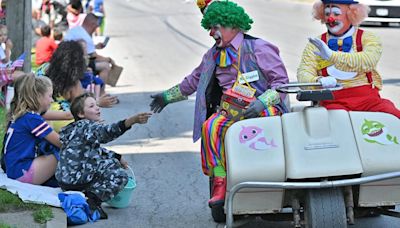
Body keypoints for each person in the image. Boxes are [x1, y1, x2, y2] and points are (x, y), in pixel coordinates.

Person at [149, 0, 289, 208]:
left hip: (264, 106)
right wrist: (166, 97)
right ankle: (220, 182)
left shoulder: (259, 47)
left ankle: (271, 173)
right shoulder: (212, 55)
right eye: (209, 27)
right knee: (211, 126)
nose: (211, 33)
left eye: (216, 27)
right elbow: (193, 81)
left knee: (264, 123)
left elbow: (281, 84)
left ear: (232, 24)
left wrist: (261, 103)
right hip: (231, 110)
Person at [55, 92, 152, 219]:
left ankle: (88, 194)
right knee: (120, 176)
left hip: (64, 182)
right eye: (91, 106)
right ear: (81, 114)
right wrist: (131, 121)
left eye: (96, 105)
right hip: (77, 180)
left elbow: (93, 149)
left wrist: (117, 156)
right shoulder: (87, 126)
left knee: (112, 162)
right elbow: (106, 133)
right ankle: (92, 201)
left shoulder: (74, 128)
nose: (97, 108)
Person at [297, 0, 400, 118]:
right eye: (327, 14)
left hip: (368, 101)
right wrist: (318, 81)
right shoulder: (316, 43)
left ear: (352, 13)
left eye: (336, 14)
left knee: (393, 116)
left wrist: (332, 56)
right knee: (335, 121)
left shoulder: (367, 37)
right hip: (333, 102)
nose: (330, 19)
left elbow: (368, 61)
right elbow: (303, 72)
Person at [2, 74, 61, 187]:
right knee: (61, 153)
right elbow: (60, 142)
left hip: (13, 170)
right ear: (38, 96)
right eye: (50, 96)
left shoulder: (24, 115)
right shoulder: (32, 119)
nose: (52, 100)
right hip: (21, 173)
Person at [64, 13, 114, 84]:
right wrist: (109, 60)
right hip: (74, 63)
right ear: (92, 24)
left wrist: (95, 46)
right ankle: (101, 92)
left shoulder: (76, 30)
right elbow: (94, 57)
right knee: (105, 66)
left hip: (67, 60)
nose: (96, 27)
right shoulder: (86, 37)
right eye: (96, 25)